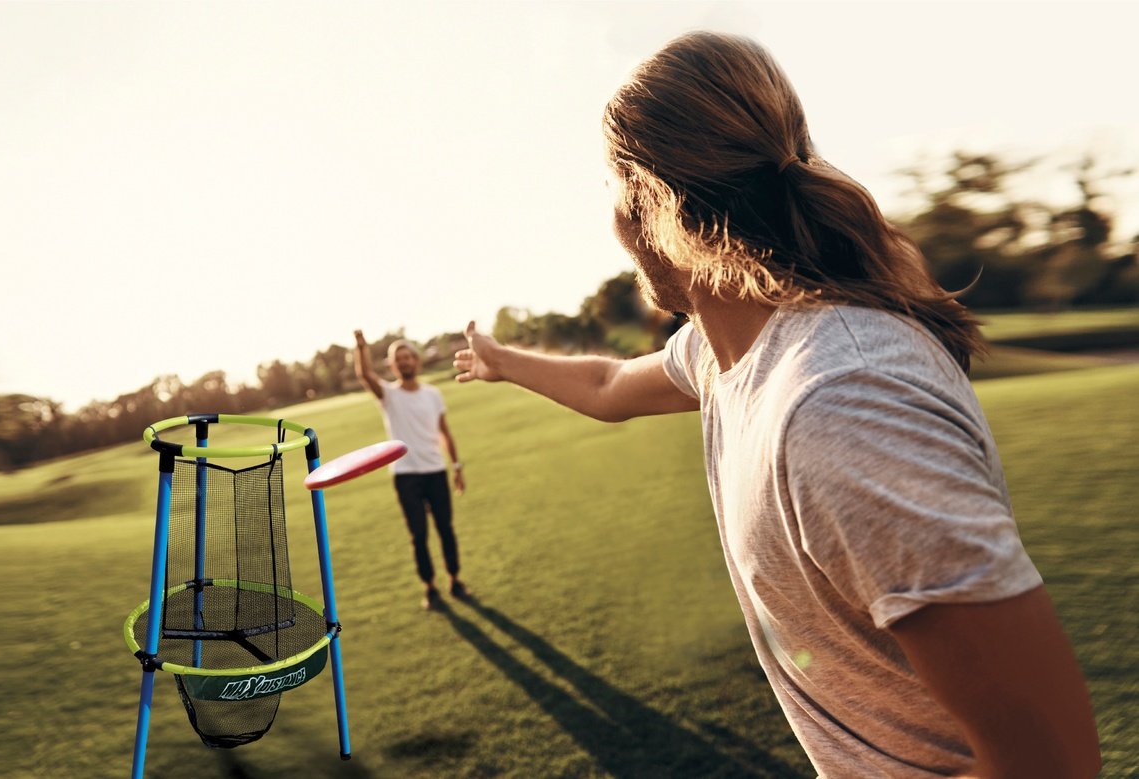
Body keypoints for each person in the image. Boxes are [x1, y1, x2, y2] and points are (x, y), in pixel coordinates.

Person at [454, 32, 1100, 779]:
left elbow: (1052, 765)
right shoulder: (727, 354)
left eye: (608, 184)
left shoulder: (841, 404)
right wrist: (502, 361)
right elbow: (605, 389)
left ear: (647, 202)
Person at [354, 330, 469, 610]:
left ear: (416, 361)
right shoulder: (389, 396)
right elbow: (366, 376)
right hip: (406, 475)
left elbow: (445, 433)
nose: (404, 362)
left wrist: (455, 466)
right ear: (393, 366)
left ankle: (455, 580)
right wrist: (361, 348)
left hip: (435, 470)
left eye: (408, 357)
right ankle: (430, 588)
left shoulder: (433, 394)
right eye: (398, 359)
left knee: (445, 528)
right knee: (419, 534)